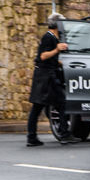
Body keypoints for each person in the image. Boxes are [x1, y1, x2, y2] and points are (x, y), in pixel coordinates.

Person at [27, 13, 70, 147]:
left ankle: (33, 137)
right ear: (57, 25)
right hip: (45, 77)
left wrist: (59, 63)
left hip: (48, 75)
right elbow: (43, 56)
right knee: (43, 106)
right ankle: (63, 135)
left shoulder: (53, 38)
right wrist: (57, 50)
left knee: (52, 104)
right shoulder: (48, 37)